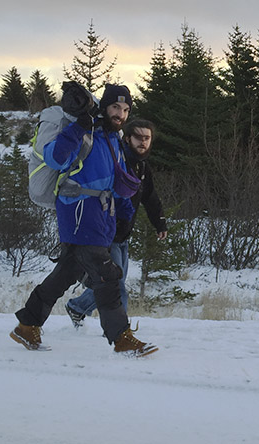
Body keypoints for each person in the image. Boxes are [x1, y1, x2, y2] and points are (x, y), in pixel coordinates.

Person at [10, 83, 157, 356]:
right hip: (78, 211)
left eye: (125, 110)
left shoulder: (114, 138)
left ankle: (27, 324)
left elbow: (117, 180)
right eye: (115, 107)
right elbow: (55, 158)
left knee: (65, 274)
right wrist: (78, 126)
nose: (120, 114)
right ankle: (121, 338)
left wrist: (125, 214)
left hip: (100, 216)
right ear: (105, 106)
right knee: (108, 274)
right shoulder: (85, 130)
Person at [65, 119, 168, 326]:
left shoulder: (142, 167)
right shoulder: (116, 161)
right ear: (127, 138)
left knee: (110, 283)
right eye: (138, 137)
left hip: (122, 237)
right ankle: (122, 333)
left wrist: (160, 223)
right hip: (105, 234)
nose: (143, 142)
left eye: (147, 138)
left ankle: (77, 307)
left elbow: (150, 197)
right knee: (117, 287)